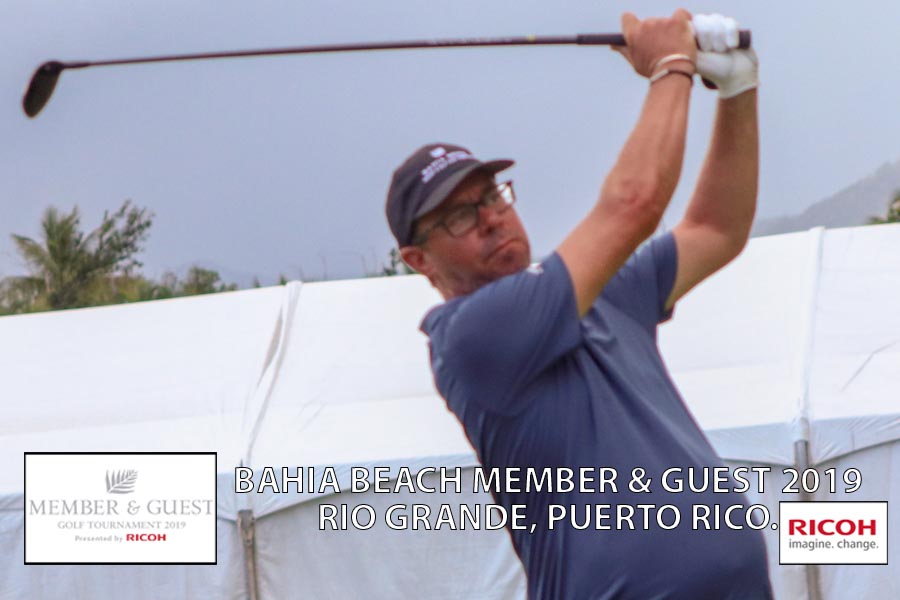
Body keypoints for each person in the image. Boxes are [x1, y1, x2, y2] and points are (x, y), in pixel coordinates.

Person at [385, 10, 772, 599]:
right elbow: (634, 205)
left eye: (492, 196)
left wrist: (738, 92)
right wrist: (672, 67)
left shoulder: (601, 292)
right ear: (419, 260)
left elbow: (716, 229)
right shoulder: (471, 335)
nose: (491, 219)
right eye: (459, 216)